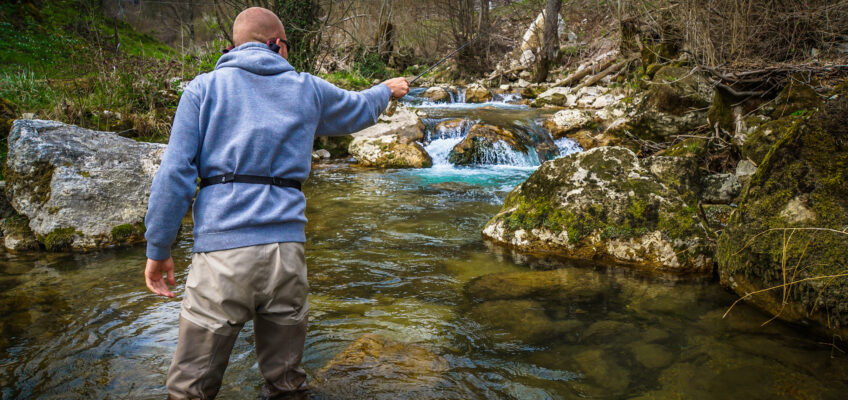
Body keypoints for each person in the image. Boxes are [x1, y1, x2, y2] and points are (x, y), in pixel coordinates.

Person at [142, 7, 409, 399]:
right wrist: (386, 90)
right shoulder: (307, 88)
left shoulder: (203, 88)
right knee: (286, 382)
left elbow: (175, 174)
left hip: (222, 257)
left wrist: (159, 247)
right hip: (287, 254)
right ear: (276, 44)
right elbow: (357, 108)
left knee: (190, 388)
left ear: (233, 46)